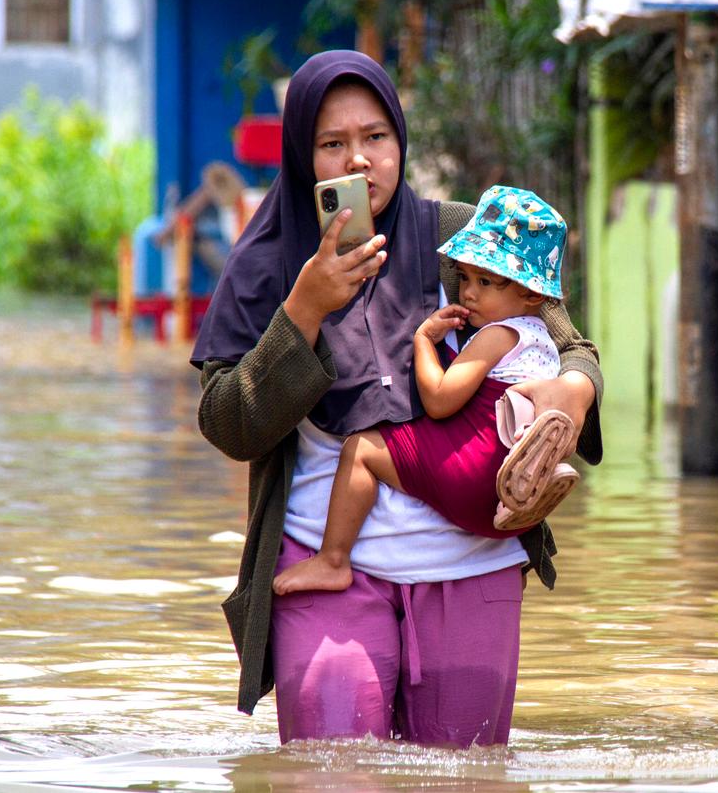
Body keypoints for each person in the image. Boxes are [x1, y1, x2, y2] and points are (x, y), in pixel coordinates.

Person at [190, 51, 603, 747]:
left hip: (475, 558)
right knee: (332, 771)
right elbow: (228, 421)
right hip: (323, 561)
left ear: (400, 143)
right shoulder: (266, 266)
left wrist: (576, 393)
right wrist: (303, 310)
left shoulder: (467, 239)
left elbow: (573, 348)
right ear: (302, 158)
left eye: (376, 137)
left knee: (467, 776)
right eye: (332, 144)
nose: (359, 162)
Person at [271, 186, 579, 597]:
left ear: (532, 294)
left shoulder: (498, 335)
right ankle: (539, 469)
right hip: (509, 508)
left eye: (485, 281)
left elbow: (438, 400)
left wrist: (422, 340)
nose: (467, 292)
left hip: (470, 477)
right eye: (465, 276)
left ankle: (332, 561)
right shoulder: (542, 343)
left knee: (360, 450)